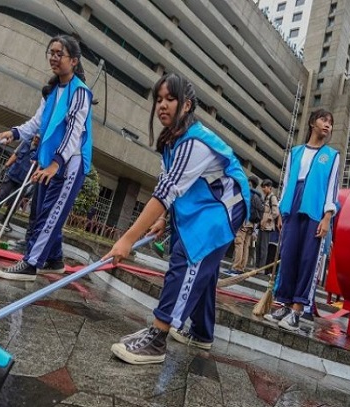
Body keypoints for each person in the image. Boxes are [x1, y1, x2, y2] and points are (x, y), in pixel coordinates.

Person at [105, 73, 249, 365]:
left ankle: (158, 338)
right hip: (202, 205)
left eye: (171, 98)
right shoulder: (172, 141)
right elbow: (171, 188)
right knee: (203, 271)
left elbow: (163, 194)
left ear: (187, 105)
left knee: (188, 259)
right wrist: (164, 221)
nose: (163, 105)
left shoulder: (194, 142)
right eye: (159, 99)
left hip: (223, 208)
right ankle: (202, 333)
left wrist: (127, 239)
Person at [0, 34, 93, 281]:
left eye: (60, 54)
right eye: (52, 52)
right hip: (49, 162)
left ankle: (31, 264)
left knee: (50, 214)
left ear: (75, 61)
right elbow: (37, 123)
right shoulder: (50, 91)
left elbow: (73, 132)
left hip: (69, 163)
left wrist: (56, 164)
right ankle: (55, 260)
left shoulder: (80, 93)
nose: (54, 58)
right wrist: (14, 133)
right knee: (41, 211)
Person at [264, 108, 340, 332]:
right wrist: (282, 212)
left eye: (331, 122)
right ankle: (284, 305)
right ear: (312, 123)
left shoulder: (332, 156)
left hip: (315, 210)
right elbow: (287, 183)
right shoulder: (295, 152)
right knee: (287, 256)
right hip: (292, 207)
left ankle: (297, 310)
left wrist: (327, 217)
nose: (327, 125)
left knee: (307, 259)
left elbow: (332, 190)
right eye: (323, 120)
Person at [0, 137, 36, 230]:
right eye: (36, 137)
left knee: (14, 202)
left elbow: (40, 166)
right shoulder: (25, 143)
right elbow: (15, 155)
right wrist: (6, 165)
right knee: (1, 195)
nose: (37, 140)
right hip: (12, 174)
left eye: (39, 139)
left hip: (24, 181)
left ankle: (5, 221)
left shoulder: (40, 150)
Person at [229, 175, 260, 274]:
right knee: (246, 246)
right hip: (252, 224)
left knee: (239, 243)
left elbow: (234, 202)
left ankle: (236, 267)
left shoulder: (247, 192)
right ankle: (242, 267)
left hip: (244, 222)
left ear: (250, 183)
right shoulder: (258, 196)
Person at [256, 179, 279, 268]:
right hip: (261, 225)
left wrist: (267, 220)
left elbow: (275, 212)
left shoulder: (272, 197)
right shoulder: (266, 197)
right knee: (258, 246)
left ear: (270, 187)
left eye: (264, 187)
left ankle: (260, 268)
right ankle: (257, 266)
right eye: (262, 187)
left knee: (263, 247)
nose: (263, 189)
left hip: (267, 226)